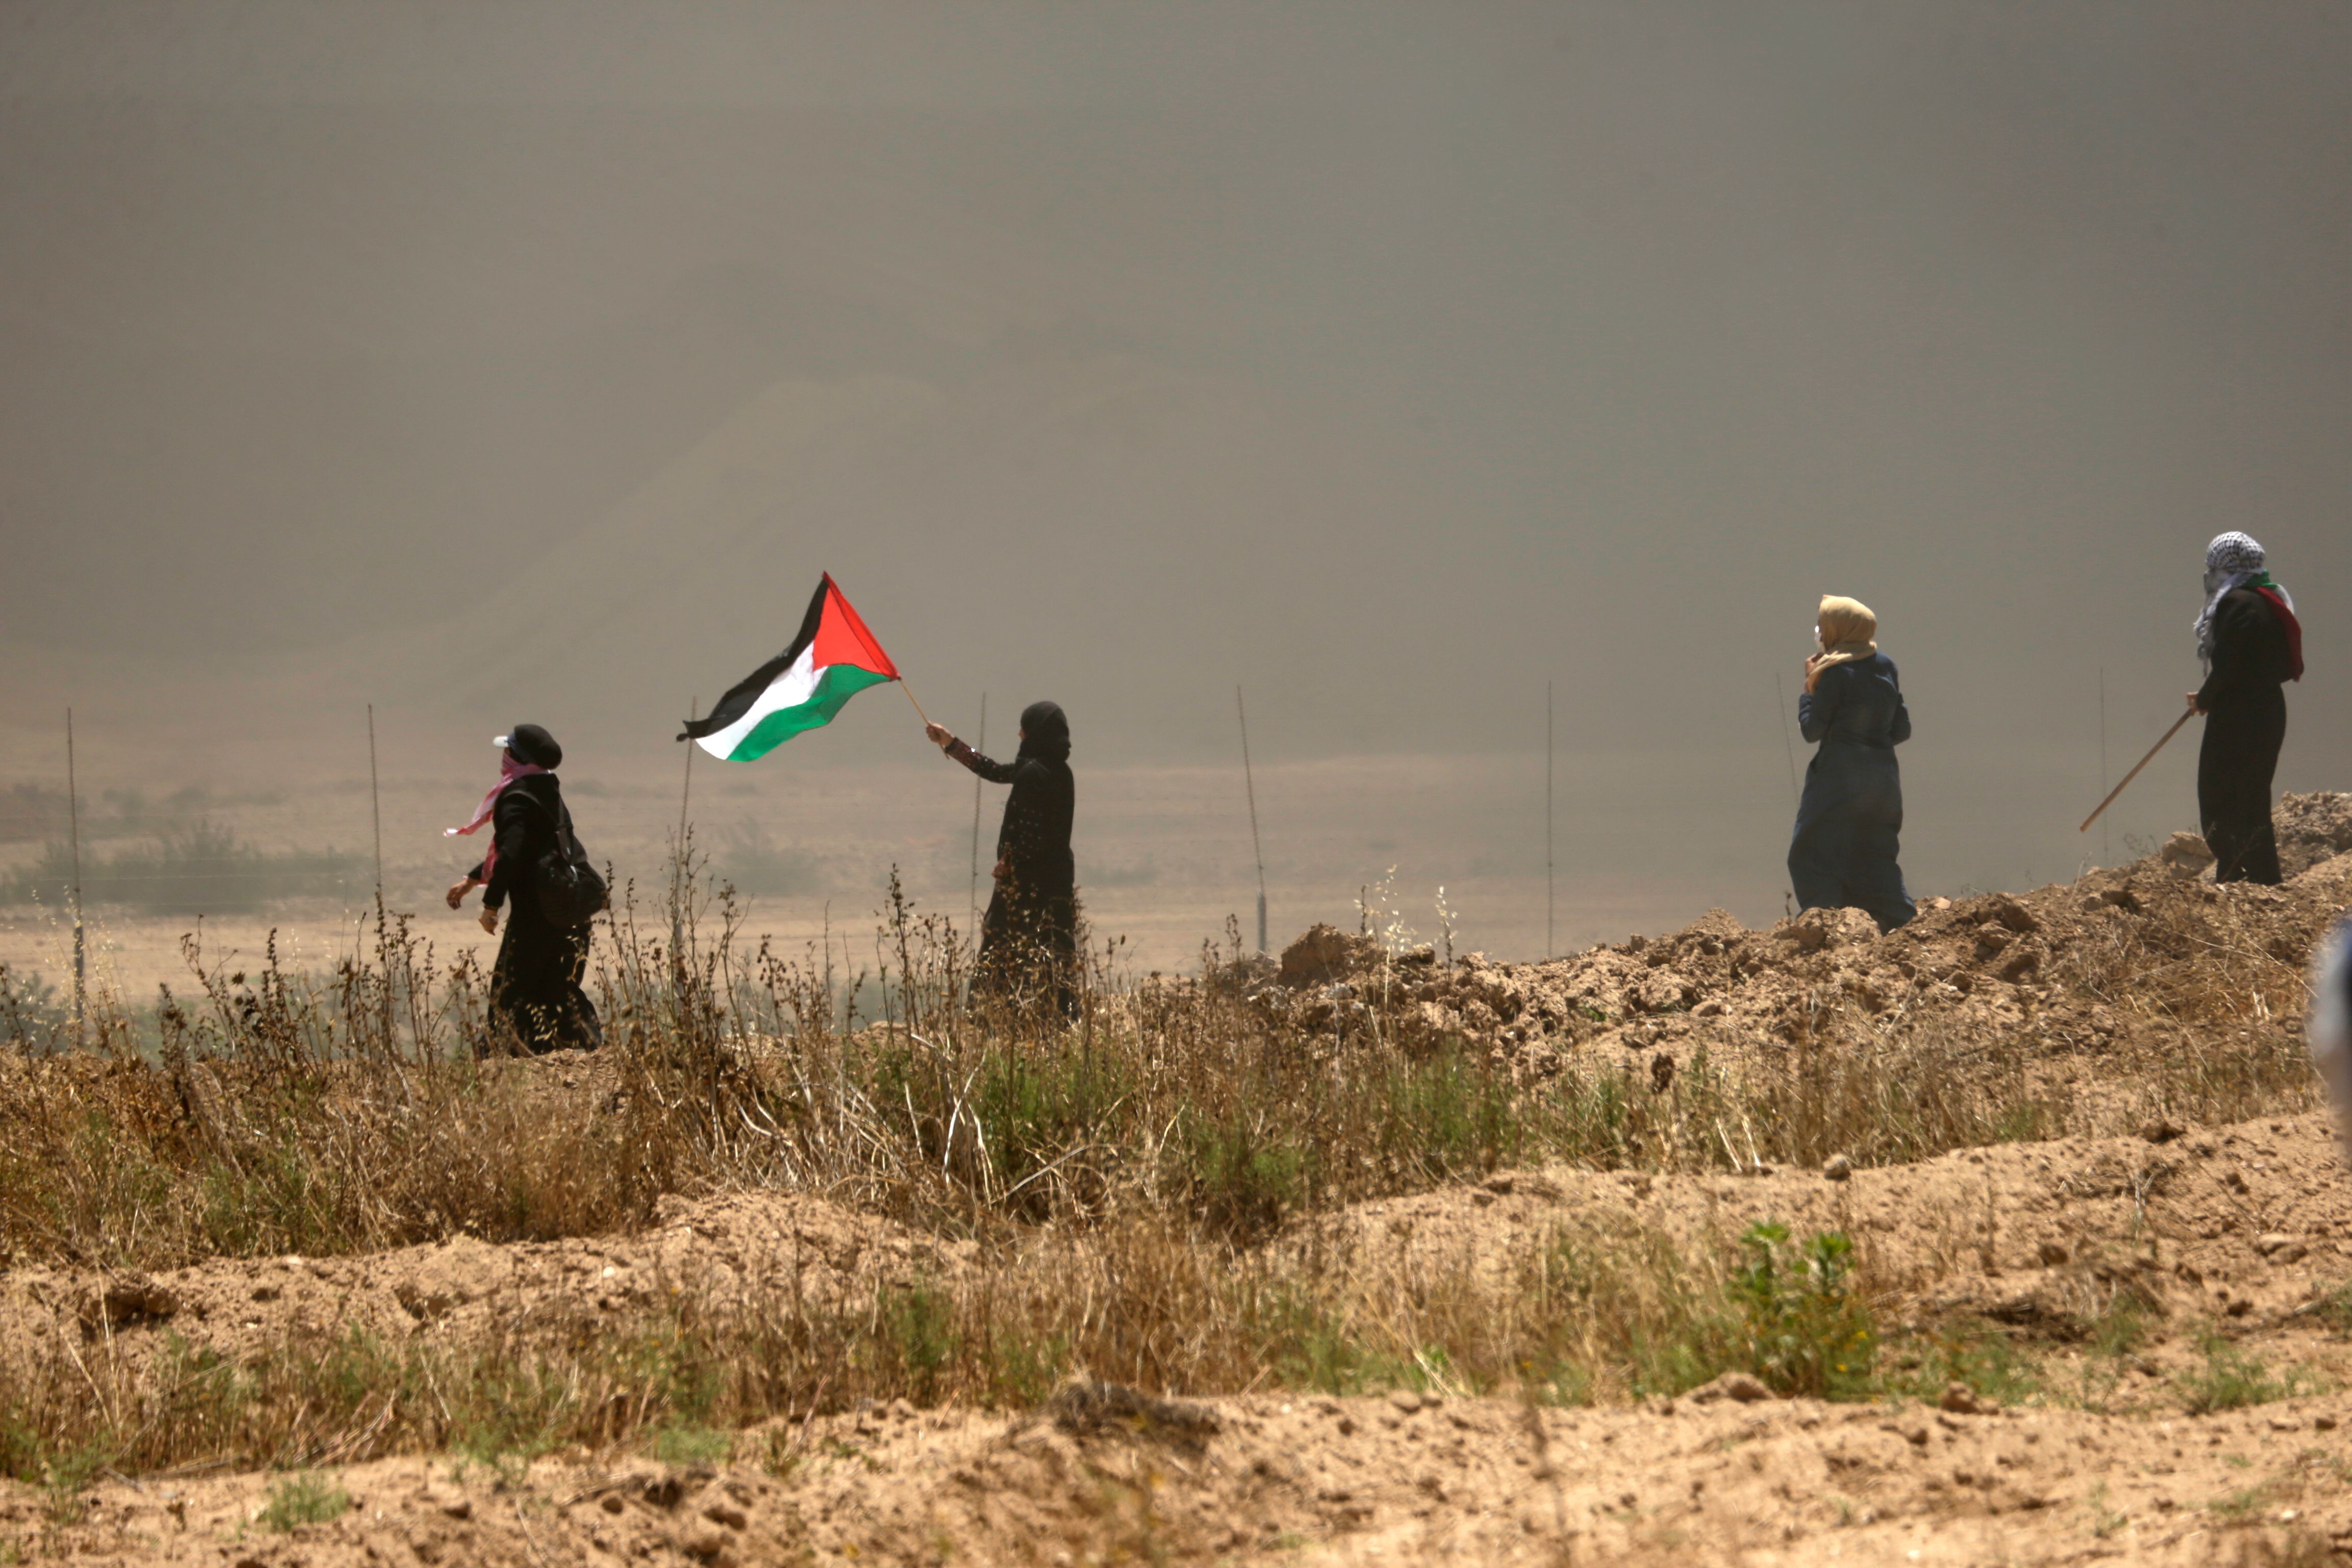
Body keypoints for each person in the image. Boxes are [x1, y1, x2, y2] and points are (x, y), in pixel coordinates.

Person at [445, 723, 602, 1054]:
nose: (503, 757)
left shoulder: (515, 797)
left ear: (515, 758)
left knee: (512, 988)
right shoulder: (546, 790)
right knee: (557, 984)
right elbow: (533, 847)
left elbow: (512, 852)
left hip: (535, 913)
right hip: (565, 906)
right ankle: (586, 1049)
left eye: (507, 751)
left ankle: (501, 1056)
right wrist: (474, 879)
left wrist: (491, 906)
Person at [924, 701, 1079, 1018]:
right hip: (1056, 881)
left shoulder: (1035, 774)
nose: (1020, 734)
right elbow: (995, 771)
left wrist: (1009, 862)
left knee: (1005, 946)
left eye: (1025, 728)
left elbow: (1032, 830)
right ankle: (1057, 1015)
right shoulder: (1054, 770)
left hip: (1027, 881)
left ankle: (994, 1015)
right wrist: (951, 743)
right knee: (1053, 947)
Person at [1788, 595, 1915, 933]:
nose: (1818, 631)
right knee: (1876, 860)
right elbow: (1902, 729)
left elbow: (1811, 730)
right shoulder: (1886, 666)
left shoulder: (1834, 672)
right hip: (1885, 784)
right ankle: (1904, 931)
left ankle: (1828, 933)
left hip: (1838, 783)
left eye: (1823, 624)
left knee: (1811, 855)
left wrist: (1808, 691)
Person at [2188, 532, 2302, 885]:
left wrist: (2206, 698)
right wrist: (2211, 694)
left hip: (2239, 715)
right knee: (2251, 794)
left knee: (2219, 791)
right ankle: (2262, 878)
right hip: (2266, 709)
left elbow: (2231, 663)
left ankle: (2235, 873)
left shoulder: (2237, 602)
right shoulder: (2266, 599)